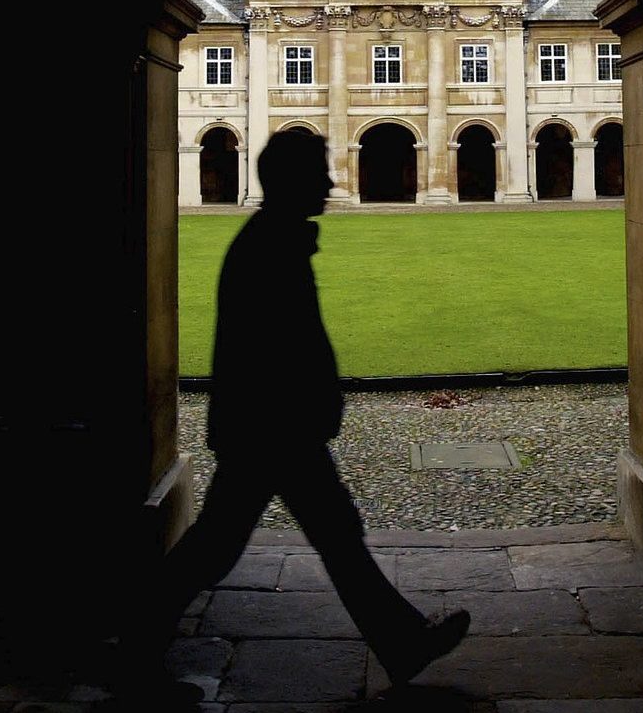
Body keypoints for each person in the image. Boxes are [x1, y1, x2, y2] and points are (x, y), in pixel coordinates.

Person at [113, 131, 469, 701]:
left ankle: (403, 642)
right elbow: (276, 348)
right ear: (292, 181)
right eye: (319, 173)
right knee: (228, 547)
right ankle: (133, 655)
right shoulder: (271, 245)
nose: (330, 182)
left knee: (323, 536)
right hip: (271, 430)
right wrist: (313, 403)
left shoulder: (275, 238)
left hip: (271, 426)